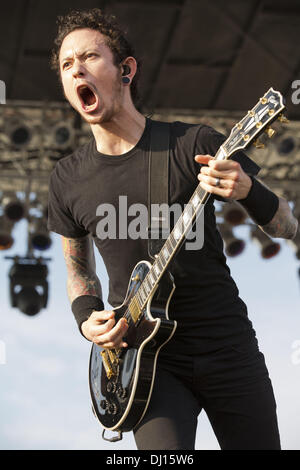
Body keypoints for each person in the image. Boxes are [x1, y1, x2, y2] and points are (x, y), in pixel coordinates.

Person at [47, 8, 298, 450]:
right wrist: (87, 319)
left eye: (89, 57)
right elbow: (78, 270)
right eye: (67, 65)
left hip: (227, 346)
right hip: (147, 358)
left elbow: (286, 225)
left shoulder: (192, 143)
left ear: (126, 70)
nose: (76, 69)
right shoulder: (67, 178)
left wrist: (246, 190)